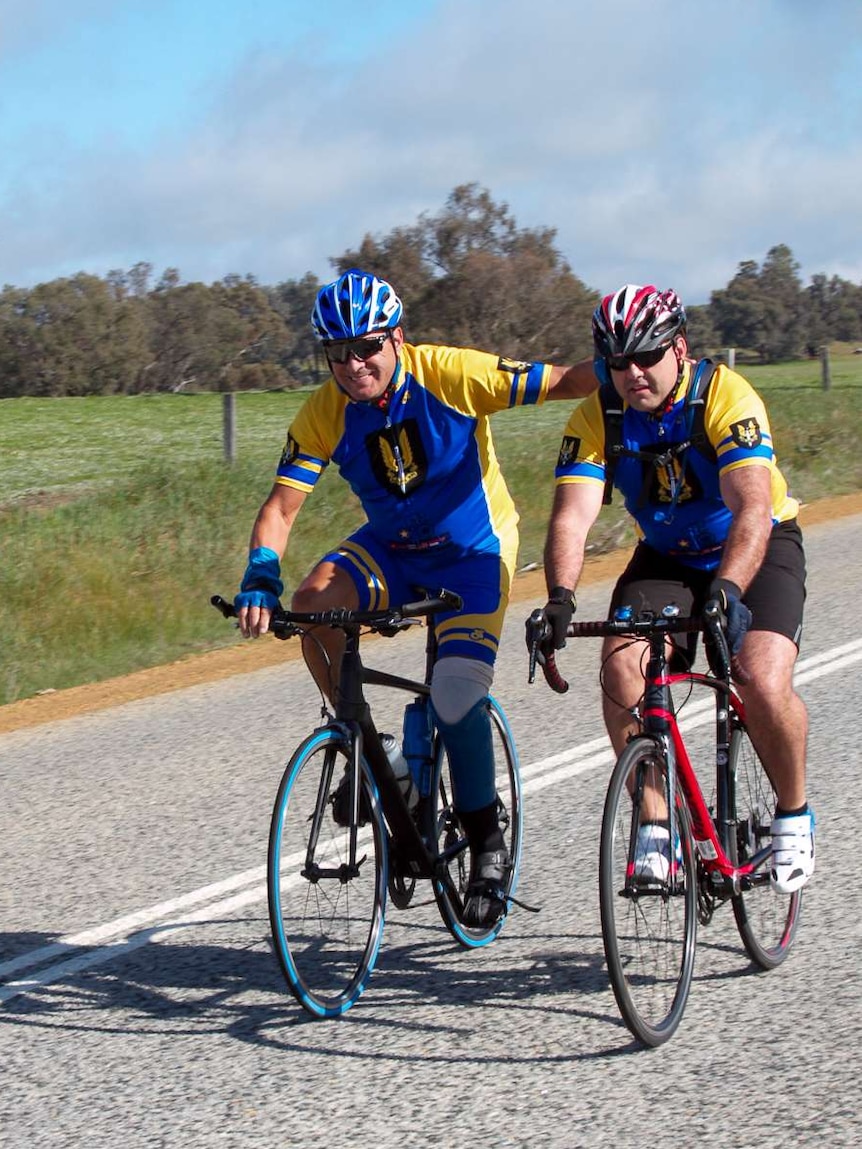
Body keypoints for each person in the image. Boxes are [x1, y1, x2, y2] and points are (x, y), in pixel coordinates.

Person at [235, 267, 597, 927]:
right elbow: (281, 509)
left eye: (367, 346)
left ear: (397, 337)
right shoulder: (325, 410)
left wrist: (629, 365)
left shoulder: (451, 374)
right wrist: (260, 572)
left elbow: (565, 381)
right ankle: (372, 747)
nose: (354, 364)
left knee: (456, 694)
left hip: (473, 553)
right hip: (395, 549)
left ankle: (486, 844)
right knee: (313, 602)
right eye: (338, 352)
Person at [536, 283, 814, 894]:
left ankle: (793, 813)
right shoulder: (598, 415)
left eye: (645, 357)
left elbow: (751, 508)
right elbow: (571, 518)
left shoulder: (723, 394)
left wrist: (730, 589)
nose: (631, 373)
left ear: (679, 348)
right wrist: (559, 597)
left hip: (755, 548)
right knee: (621, 673)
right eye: (617, 362)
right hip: (666, 557)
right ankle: (657, 826)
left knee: (760, 676)